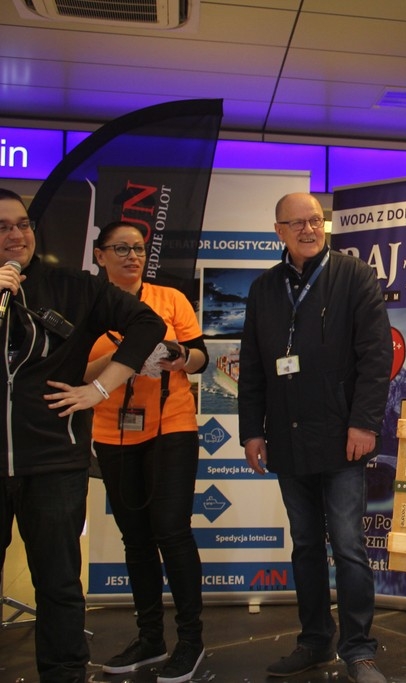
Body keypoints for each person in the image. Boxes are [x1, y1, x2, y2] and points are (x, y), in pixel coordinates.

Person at [0, 188, 167, 682]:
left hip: (55, 460)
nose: (16, 235)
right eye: (2, 227)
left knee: (58, 584)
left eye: (23, 224)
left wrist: (99, 388)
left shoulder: (73, 286)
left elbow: (147, 324)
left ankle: (65, 674)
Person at [237, 193, 392, 683]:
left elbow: (376, 356)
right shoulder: (264, 288)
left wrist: (364, 423)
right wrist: (251, 431)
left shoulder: (354, 275)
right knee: (305, 545)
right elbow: (252, 367)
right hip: (286, 437)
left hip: (343, 437)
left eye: (315, 220)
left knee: (348, 546)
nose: (309, 229)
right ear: (278, 231)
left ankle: (359, 650)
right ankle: (314, 641)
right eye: (297, 223)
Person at [85, 221, 209, 683]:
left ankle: (191, 641)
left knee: (172, 532)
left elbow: (200, 357)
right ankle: (150, 638)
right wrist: (127, 356)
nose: (132, 256)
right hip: (112, 430)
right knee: (135, 539)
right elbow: (78, 373)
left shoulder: (169, 299)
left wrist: (180, 356)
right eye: (120, 249)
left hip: (171, 424)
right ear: (100, 255)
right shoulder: (87, 304)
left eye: (138, 248)